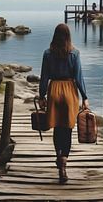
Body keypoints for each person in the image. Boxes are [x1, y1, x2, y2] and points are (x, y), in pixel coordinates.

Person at [39, 23, 89, 184]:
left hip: (54, 89)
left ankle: (58, 156)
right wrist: (85, 97)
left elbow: (44, 77)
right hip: (69, 90)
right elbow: (79, 77)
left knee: (56, 127)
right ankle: (64, 163)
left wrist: (42, 96)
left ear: (55, 35)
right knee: (67, 128)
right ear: (68, 36)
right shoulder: (74, 53)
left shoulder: (47, 53)